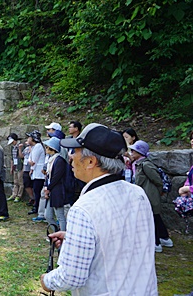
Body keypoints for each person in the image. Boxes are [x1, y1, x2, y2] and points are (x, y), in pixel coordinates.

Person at [40, 123, 157, 295]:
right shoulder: (137, 193)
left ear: (90, 161)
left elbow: (71, 276)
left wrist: (47, 281)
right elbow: (127, 239)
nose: (71, 157)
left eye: (75, 151)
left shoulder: (84, 208)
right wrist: (78, 240)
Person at [129, 140, 173, 252]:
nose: (131, 152)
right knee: (155, 218)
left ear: (140, 152)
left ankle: (156, 243)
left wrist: (157, 193)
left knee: (151, 218)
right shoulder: (139, 164)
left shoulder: (146, 165)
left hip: (149, 197)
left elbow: (157, 180)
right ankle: (164, 238)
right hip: (146, 196)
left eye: (134, 150)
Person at [42, 137, 68, 231]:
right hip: (51, 190)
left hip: (57, 190)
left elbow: (56, 177)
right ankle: (56, 232)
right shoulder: (51, 160)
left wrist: (48, 187)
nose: (46, 149)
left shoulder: (59, 160)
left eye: (47, 147)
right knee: (48, 215)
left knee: (59, 215)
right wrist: (46, 187)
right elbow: (48, 176)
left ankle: (63, 236)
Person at [27, 131, 46, 221]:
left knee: (37, 190)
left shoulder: (38, 147)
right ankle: (36, 206)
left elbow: (32, 160)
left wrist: (31, 167)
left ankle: (37, 207)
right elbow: (29, 158)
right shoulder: (35, 147)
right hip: (36, 172)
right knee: (36, 190)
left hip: (38, 173)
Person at [6, 133, 23, 202]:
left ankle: (19, 195)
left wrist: (19, 149)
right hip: (15, 166)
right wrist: (11, 167)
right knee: (15, 181)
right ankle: (14, 194)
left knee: (20, 182)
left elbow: (22, 156)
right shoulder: (12, 147)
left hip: (20, 166)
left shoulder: (21, 146)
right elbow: (12, 158)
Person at [19, 136, 34, 205]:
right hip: (26, 168)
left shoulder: (34, 148)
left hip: (32, 168)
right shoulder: (26, 149)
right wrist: (20, 149)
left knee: (33, 184)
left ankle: (34, 199)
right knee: (26, 184)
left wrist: (29, 145)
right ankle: (32, 197)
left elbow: (32, 154)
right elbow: (21, 156)